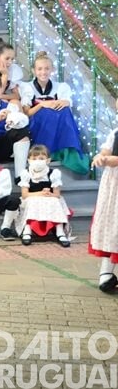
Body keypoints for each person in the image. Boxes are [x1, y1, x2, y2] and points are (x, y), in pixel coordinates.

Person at [19, 51, 89, 174]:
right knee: (47, 112)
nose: (43, 72)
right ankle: (47, 151)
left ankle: (67, 151)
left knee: (65, 111)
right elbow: (27, 113)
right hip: (37, 122)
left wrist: (63, 103)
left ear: (52, 69)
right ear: (34, 70)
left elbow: (65, 103)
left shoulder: (60, 87)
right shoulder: (27, 87)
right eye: (39, 69)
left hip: (57, 120)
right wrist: (42, 104)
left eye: (47, 69)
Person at [17, 144, 71, 247]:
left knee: (55, 201)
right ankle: (27, 231)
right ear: (29, 160)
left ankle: (60, 232)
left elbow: (57, 194)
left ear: (48, 160)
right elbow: (24, 195)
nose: (38, 161)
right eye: (34, 158)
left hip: (49, 198)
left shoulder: (53, 173)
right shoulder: (26, 174)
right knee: (33, 201)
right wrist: (40, 193)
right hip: (31, 198)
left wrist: (49, 194)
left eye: (41, 158)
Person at [89, 115, 118, 292]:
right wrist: (100, 157)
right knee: (111, 223)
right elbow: (107, 151)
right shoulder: (115, 132)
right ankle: (106, 272)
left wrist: (112, 160)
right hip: (113, 183)